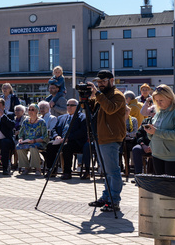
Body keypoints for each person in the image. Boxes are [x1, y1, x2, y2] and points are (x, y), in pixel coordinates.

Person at [87, 70, 127, 213]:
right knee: (106, 171)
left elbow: (110, 109)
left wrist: (97, 94)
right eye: (98, 82)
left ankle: (114, 201)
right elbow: (93, 108)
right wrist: (85, 99)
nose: (100, 84)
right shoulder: (102, 96)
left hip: (111, 137)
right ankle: (106, 197)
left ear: (111, 80)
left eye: (103, 81)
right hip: (101, 136)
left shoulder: (118, 95)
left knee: (113, 171)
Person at [145, 84, 175, 176]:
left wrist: (156, 132)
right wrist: (150, 133)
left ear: (170, 98)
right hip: (157, 154)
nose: (158, 103)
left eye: (161, 100)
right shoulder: (159, 112)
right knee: (162, 188)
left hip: (174, 156)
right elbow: (154, 133)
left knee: (173, 188)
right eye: (156, 101)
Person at [43, 99, 88, 180]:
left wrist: (68, 138)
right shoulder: (61, 117)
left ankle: (67, 172)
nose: (69, 107)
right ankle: (51, 170)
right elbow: (54, 129)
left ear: (77, 107)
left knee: (67, 147)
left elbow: (82, 132)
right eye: (68, 105)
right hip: (60, 140)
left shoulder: (82, 118)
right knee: (50, 145)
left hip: (75, 142)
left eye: (72, 105)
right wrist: (56, 136)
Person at [17, 103, 48, 175]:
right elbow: (21, 134)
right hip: (27, 141)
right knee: (19, 146)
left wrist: (34, 140)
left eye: (32, 110)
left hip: (39, 141)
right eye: (29, 110)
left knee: (33, 146)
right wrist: (21, 139)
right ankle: (26, 167)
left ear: (37, 111)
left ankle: (37, 168)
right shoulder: (25, 121)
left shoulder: (41, 122)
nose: (30, 111)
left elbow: (45, 136)